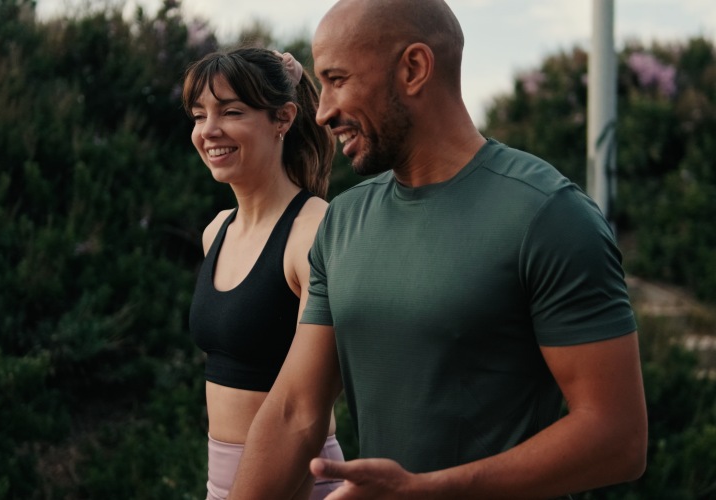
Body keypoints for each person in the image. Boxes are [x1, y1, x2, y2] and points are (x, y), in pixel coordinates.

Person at [228, 0, 648, 498]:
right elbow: (296, 410)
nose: (322, 112)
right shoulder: (343, 220)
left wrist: (433, 490)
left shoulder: (548, 215)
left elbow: (618, 438)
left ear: (414, 68)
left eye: (337, 80)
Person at [184, 47, 344, 500]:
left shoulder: (313, 233)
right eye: (199, 115)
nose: (208, 130)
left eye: (231, 111)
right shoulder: (216, 231)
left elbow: (304, 410)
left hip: (298, 484)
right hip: (224, 486)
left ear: (283, 119)